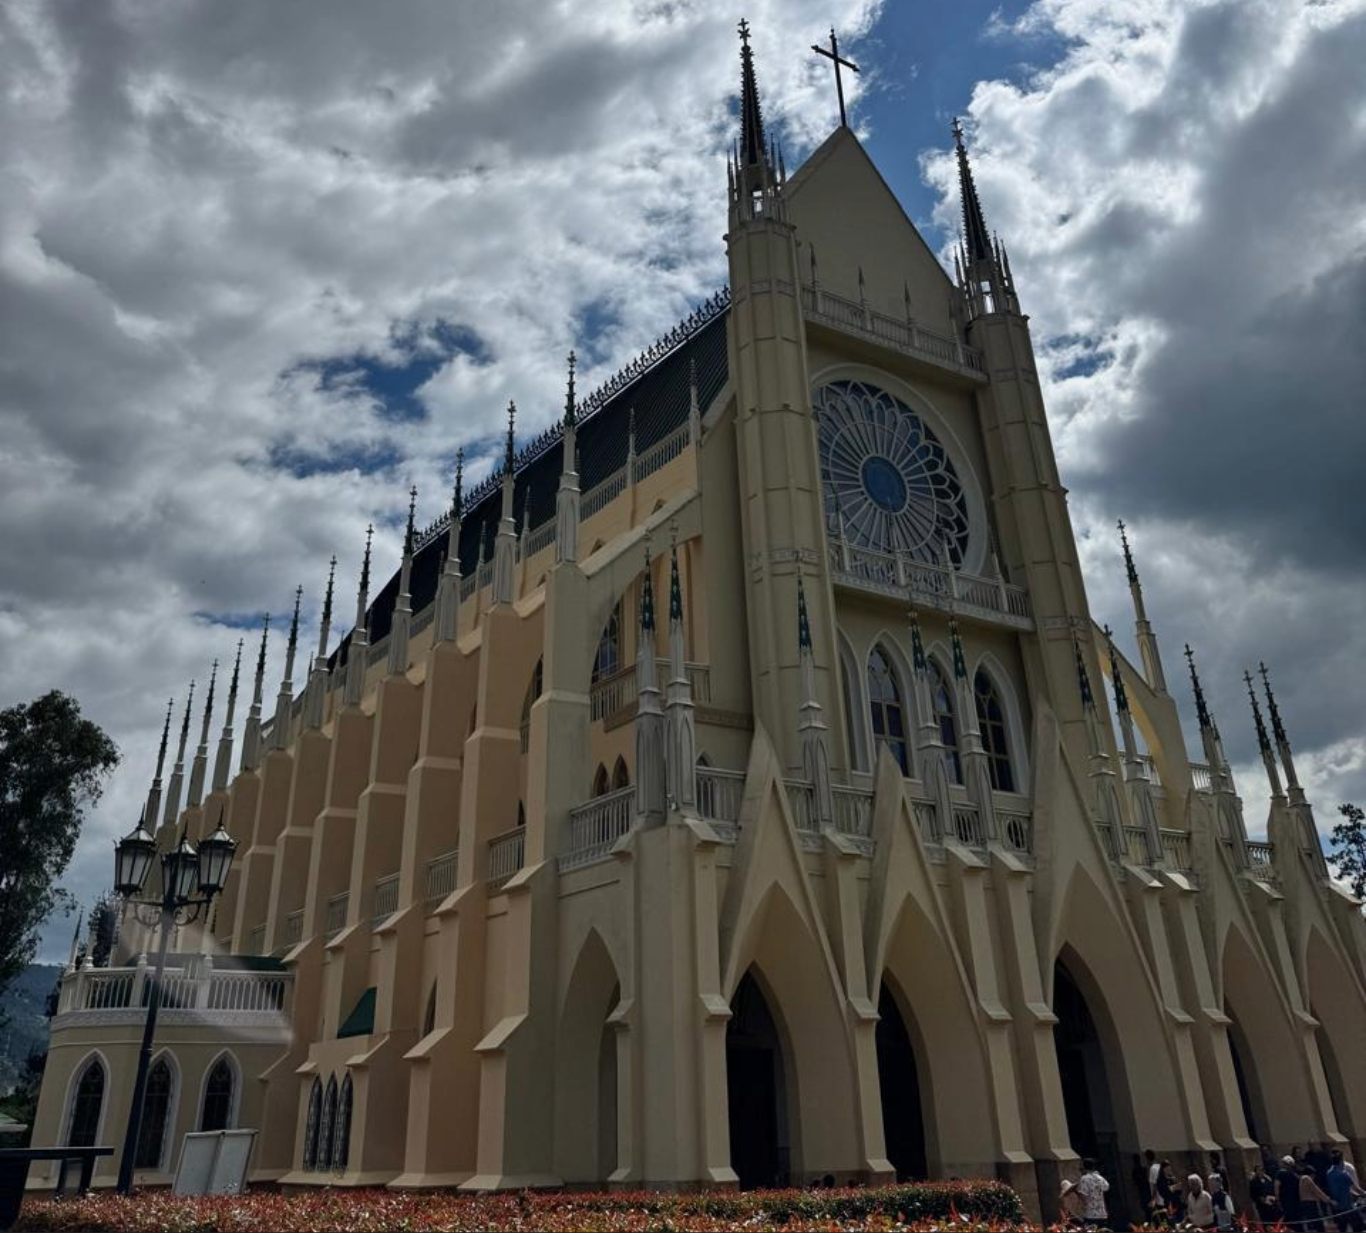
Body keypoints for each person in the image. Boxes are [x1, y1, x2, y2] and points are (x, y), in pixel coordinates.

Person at [1326, 1152, 1366, 1233]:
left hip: (1337, 1207)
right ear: (1341, 1161)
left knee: (1343, 1228)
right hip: (1347, 1206)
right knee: (1359, 1227)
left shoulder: (1329, 1173)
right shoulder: (1344, 1174)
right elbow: (1356, 1188)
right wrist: (1364, 1193)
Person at [1073, 1158, 1111, 1228]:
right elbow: (1106, 1187)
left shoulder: (1084, 1179)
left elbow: (1084, 1198)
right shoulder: (1100, 1178)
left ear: (1084, 1167)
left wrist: (1076, 1192)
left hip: (1090, 1214)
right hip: (1102, 1213)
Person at [1299, 1162, 1332, 1232]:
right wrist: (1327, 1199)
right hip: (1310, 1204)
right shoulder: (1307, 1178)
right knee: (1319, 1225)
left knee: (1311, 1225)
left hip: (1305, 1204)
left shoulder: (1301, 1179)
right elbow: (1316, 1190)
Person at [1249, 1159, 1280, 1228]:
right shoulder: (1254, 1182)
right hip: (1262, 1206)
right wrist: (1260, 1199)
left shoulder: (1268, 1179)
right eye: (1259, 1170)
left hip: (1271, 1204)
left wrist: (1273, 1197)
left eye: (1262, 1170)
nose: (1261, 1172)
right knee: (1266, 1222)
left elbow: (1272, 1189)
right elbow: (1252, 1194)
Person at [1279, 1154, 1306, 1228]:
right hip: (1289, 1200)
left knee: (1296, 1219)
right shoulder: (1282, 1174)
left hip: (1293, 1199)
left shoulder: (1292, 1174)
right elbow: (1277, 1186)